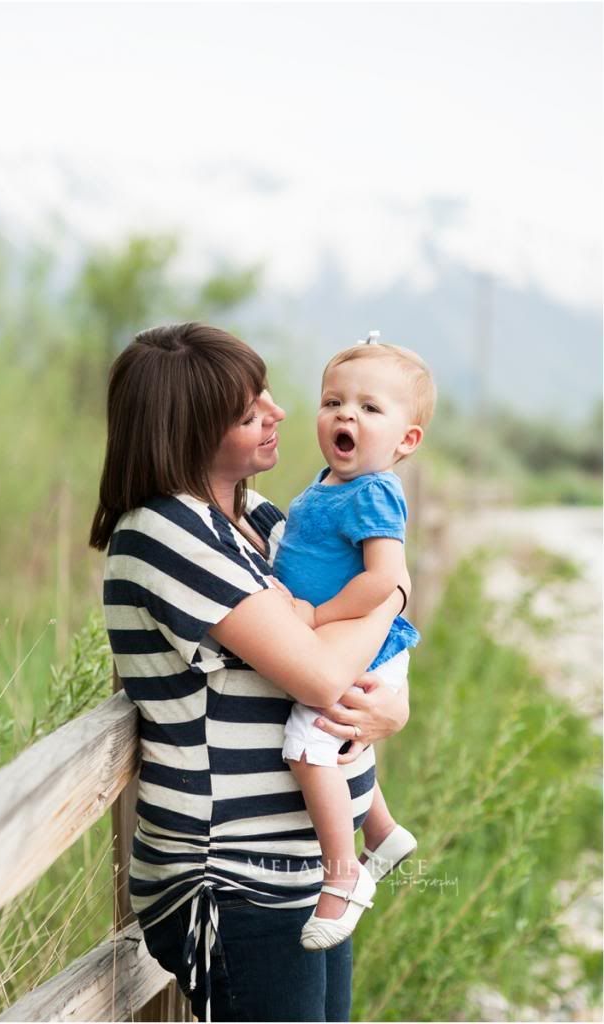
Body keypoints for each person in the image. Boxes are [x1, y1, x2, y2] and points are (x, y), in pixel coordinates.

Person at [89, 322, 410, 1023]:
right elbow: (323, 675)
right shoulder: (166, 533)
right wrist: (391, 594)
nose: (280, 412)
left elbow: (354, 622)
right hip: (232, 877)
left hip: (298, 864)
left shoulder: (256, 518)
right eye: (246, 411)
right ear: (189, 432)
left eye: (264, 393)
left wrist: (389, 708)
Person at [272, 333, 437, 951]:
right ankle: (385, 832)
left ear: (406, 441)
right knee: (342, 741)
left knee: (308, 742)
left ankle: (344, 877)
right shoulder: (326, 484)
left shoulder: (375, 491)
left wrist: (315, 618)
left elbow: (383, 579)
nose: (347, 415)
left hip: (361, 642)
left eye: (370, 408)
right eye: (334, 401)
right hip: (353, 640)